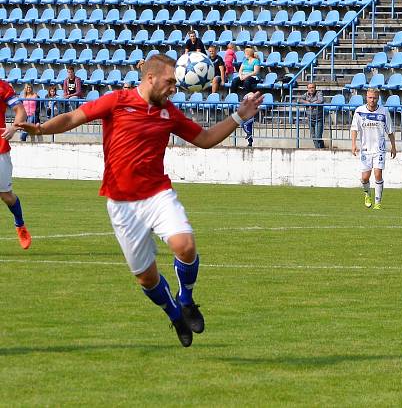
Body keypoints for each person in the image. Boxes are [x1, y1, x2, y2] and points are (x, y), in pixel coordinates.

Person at [16, 54, 264, 346]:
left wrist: (238, 116)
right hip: (121, 205)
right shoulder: (116, 101)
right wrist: (42, 128)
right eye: (170, 81)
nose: (174, 88)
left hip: (158, 194)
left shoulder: (169, 112)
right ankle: (174, 314)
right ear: (150, 78)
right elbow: (73, 117)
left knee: (184, 245)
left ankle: (185, 299)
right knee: (146, 278)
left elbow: (206, 139)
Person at [351, 88, 397, 210]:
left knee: (378, 173)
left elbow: (390, 131)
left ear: (378, 98)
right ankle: (367, 194)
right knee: (365, 177)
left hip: (379, 149)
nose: (372, 100)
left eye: (375, 98)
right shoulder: (359, 111)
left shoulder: (383, 111)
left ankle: (378, 202)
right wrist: (354, 144)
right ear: (366, 97)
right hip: (365, 150)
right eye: (370, 97)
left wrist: (393, 146)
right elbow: (354, 129)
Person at [0, 78, 30, 249]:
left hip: (0, 148)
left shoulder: (2, 87)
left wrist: (14, 127)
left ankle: (20, 224)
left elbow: (20, 110)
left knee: (6, 196)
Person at [298, 82, 325, 149]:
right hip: (310, 119)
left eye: (313, 87)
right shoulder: (306, 94)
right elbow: (299, 100)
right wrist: (307, 102)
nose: (311, 89)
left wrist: (313, 104)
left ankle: (321, 147)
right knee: (313, 136)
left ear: (315, 88)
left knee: (318, 136)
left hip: (318, 119)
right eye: (310, 88)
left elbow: (321, 100)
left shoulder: (319, 93)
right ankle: (317, 149)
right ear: (307, 89)